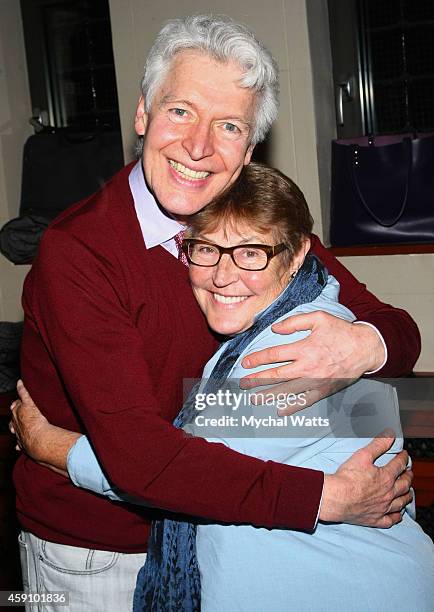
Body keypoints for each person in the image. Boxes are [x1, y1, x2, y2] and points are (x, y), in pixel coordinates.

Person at [12, 14, 416, 612]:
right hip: (98, 550)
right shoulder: (81, 253)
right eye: (180, 112)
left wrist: (362, 345)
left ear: (249, 149)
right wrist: (323, 498)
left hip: (228, 533)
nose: (199, 147)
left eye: (227, 125)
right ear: (143, 115)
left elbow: (399, 331)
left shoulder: (258, 227)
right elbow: (142, 459)